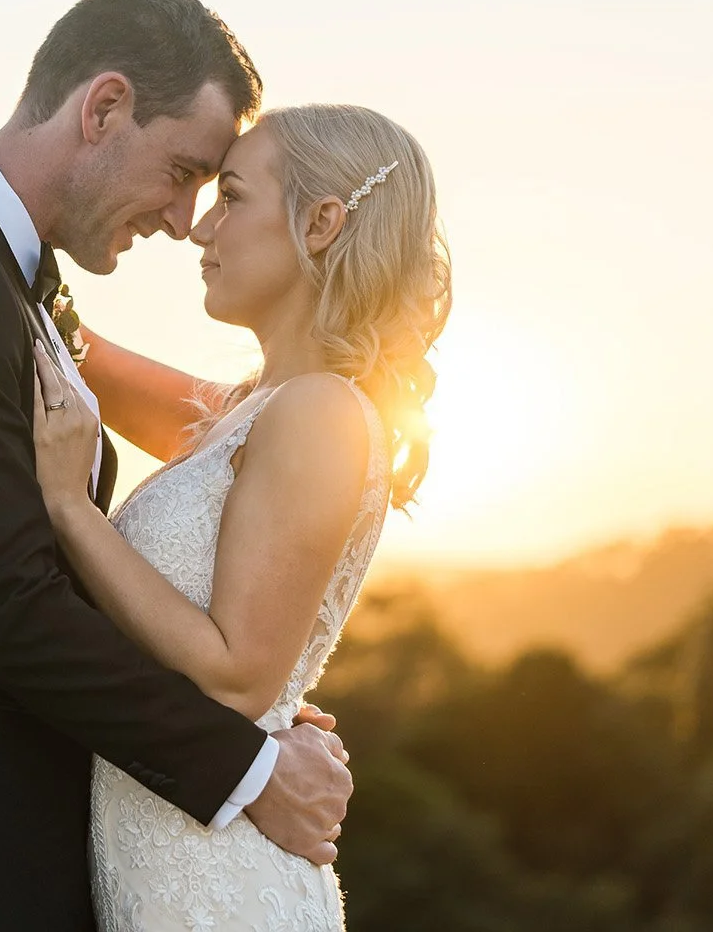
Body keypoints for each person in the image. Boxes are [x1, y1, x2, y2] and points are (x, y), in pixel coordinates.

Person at [0, 0, 355, 931]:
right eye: (183, 172)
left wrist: (257, 712)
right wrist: (248, 766)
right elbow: (4, 605)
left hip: (7, 857)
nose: (184, 220)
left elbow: (228, 447)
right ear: (104, 107)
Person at [30, 103, 451, 929]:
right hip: (169, 866)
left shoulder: (320, 414)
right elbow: (75, 349)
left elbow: (235, 676)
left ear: (321, 224)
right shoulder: (248, 413)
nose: (200, 228)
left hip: (218, 888)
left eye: (231, 196)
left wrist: (69, 509)